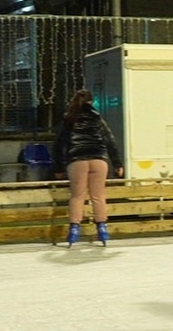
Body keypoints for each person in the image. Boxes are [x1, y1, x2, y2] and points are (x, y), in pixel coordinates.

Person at [52, 89, 124, 246]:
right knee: (98, 196)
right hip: (99, 158)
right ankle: (102, 229)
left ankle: (74, 231)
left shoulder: (69, 118)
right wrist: (117, 163)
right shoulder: (97, 118)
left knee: (77, 196)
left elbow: (59, 144)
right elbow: (110, 140)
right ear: (92, 102)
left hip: (77, 159)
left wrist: (58, 167)